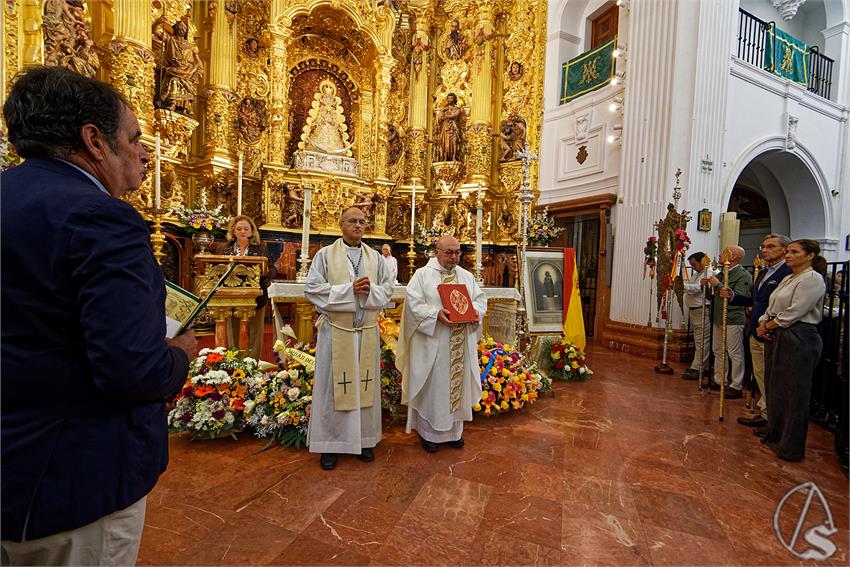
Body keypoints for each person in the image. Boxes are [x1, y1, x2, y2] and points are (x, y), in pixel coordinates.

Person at [1, 66, 197, 565]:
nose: (144, 152)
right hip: (73, 479)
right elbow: (132, 370)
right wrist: (180, 353)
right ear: (94, 140)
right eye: (134, 138)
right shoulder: (100, 216)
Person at [304, 207, 393, 470]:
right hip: (337, 333)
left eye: (362, 222)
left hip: (365, 331)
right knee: (333, 389)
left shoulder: (375, 258)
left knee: (364, 390)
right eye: (352, 221)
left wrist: (370, 292)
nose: (357, 225)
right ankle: (330, 444)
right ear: (341, 224)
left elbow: (388, 289)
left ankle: (364, 440)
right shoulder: (325, 255)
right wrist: (348, 290)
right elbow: (312, 288)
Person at [397, 236, 487, 452]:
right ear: (436, 252)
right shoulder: (422, 275)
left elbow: (480, 300)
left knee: (458, 385)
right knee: (435, 386)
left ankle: (455, 432)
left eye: (457, 252)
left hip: (459, 342)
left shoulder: (466, 276)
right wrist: (435, 314)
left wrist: (475, 312)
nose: (454, 257)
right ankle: (430, 434)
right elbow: (413, 305)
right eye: (449, 252)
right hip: (433, 343)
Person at [756, 240, 827, 461]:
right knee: (776, 389)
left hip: (799, 337)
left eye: (794, 252)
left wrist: (768, 325)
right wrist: (763, 321)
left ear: (810, 256)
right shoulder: (788, 278)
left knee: (794, 393)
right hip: (778, 332)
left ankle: (790, 447)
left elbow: (795, 311)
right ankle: (775, 438)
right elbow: (772, 306)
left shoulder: (812, 279)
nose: (788, 255)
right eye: (787, 251)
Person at [721, 234, 791, 426]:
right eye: (763, 246)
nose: (764, 250)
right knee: (761, 374)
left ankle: (774, 418)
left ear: (784, 250)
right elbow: (755, 300)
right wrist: (733, 296)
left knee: (773, 376)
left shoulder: (788, 273)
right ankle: (766, 412)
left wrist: (768, 324)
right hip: (756, 329)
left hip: (772, 330)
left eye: (770, 246)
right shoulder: (763, 272)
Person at [212, 215, 269, 360]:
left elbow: (272, 269)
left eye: (246, 229)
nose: (242, 232)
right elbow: (215, 267)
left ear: (251, 232)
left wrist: (264, 272)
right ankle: (234, 361)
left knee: (255, 331)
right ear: (233, 231)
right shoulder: (224, 248)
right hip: (230, 295)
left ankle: (252, 363)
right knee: (233, 330)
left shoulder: (261, 248)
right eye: (239, 229)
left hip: (256, 296)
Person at [702, 245, 753, 399]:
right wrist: (707, 287)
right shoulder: (723, 272)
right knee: (718, 350)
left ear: (733, 257)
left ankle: (736, 385)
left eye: (724, 252)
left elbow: (737, 297)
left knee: (734, 352)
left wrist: (717, 284)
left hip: (732, 318)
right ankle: (719, 379)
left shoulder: (742, 275)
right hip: (718, 316)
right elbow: (715, 296)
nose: (720, 254)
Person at [154, 17, 204, 116]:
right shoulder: (170, 40)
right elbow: (155, 31)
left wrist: (198, 70)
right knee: (174, 80)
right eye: (180, 26)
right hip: (175, 70)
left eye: (184, 27)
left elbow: (198, 62)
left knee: (188, 84)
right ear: (176, 28)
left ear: (186, 31)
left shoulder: (191, 46)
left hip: (188, 71)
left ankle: (186, 107)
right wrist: (159, 21)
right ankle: (172, 103)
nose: (182, 28)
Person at [681, 252, 714, 381]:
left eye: (694, 264)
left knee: (702, 341)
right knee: (698, 340)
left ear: (703, 262)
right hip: (695, 310)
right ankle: (701, 366)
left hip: (702, 310)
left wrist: (681, 286)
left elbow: (698, 288)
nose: (693, 267)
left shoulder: (709, 273)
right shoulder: (697, 274)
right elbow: (693, 286)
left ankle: (697, 368)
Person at [436, 93, 462, 162]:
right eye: (448, 98)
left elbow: (456, 115)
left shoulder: (457, 109)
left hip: (454, 127)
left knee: (454, 142)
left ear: (454, 99)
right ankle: (444, 157)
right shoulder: (444, 109)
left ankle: (454, 157)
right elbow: (439, 119)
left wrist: (446, 116)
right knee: (445, 142)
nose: (449, 100)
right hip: (445, 128)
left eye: (451, 98)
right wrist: (442, 111)